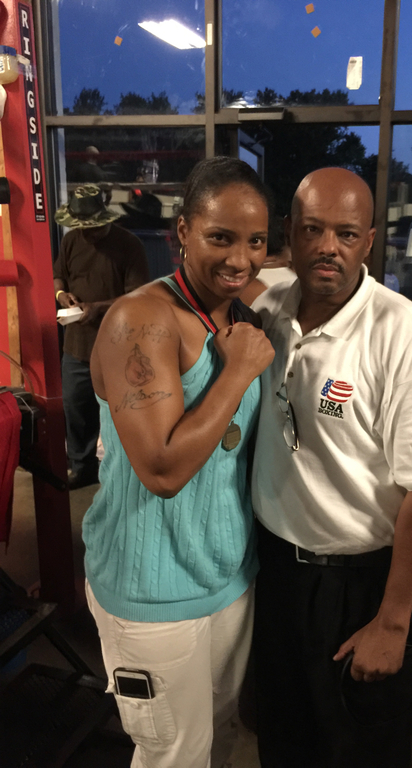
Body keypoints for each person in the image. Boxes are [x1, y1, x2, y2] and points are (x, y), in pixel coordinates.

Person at [251, 167, 412, 768]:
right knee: (283, 743)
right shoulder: (268, 309)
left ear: (368, 241)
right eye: (312, 230)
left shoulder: (405, 334)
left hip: (367, 586)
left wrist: (393, 624)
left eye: (345, 234)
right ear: (289, 233)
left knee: (364, 750)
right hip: (278, 576)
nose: (328, 247)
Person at [83, 157, 275, 768]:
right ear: (183, 232)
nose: (240, 259)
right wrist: (237, 372)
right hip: (151, 592)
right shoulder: (141, 320)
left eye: (255, 241)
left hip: (227, 576)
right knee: (173, 756)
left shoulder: (238, 313)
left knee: (217, 738)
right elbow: (161, 471)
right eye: (221, 237)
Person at [53, 185, 149, 489]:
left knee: (120, 413)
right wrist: (61, 295)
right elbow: (59, 275)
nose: (87, 233)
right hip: (77, 345)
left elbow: (138, 297)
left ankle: (122, 475)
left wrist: (98, 308)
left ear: (104, 217)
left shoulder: (129, 245)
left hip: (117, 347)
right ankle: (82, 468)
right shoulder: (71, 241)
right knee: (75, 408)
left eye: (92, 227)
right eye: (81, 226)